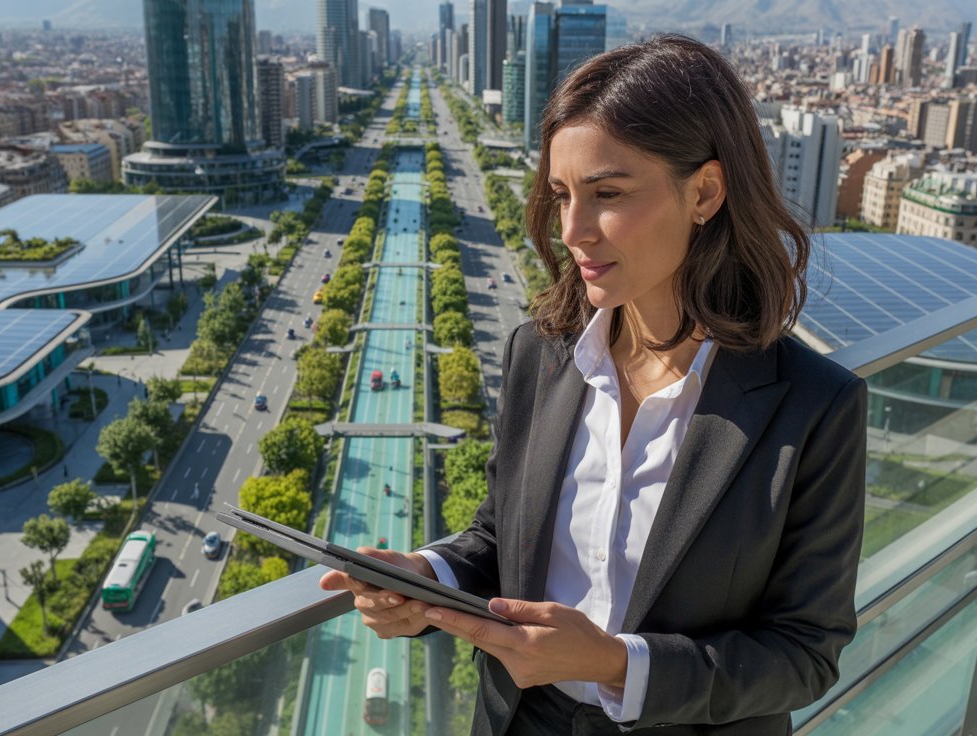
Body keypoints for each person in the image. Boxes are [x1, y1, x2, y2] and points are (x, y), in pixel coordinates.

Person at [322, 34, 866, 735]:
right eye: (561, 195)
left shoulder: (813, 406)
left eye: (607, 193)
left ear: (704, 191)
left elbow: (805, 654)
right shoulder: (540, 356)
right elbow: (500, 537)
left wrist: (617, 662)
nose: (574, 229)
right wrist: (428, 579)